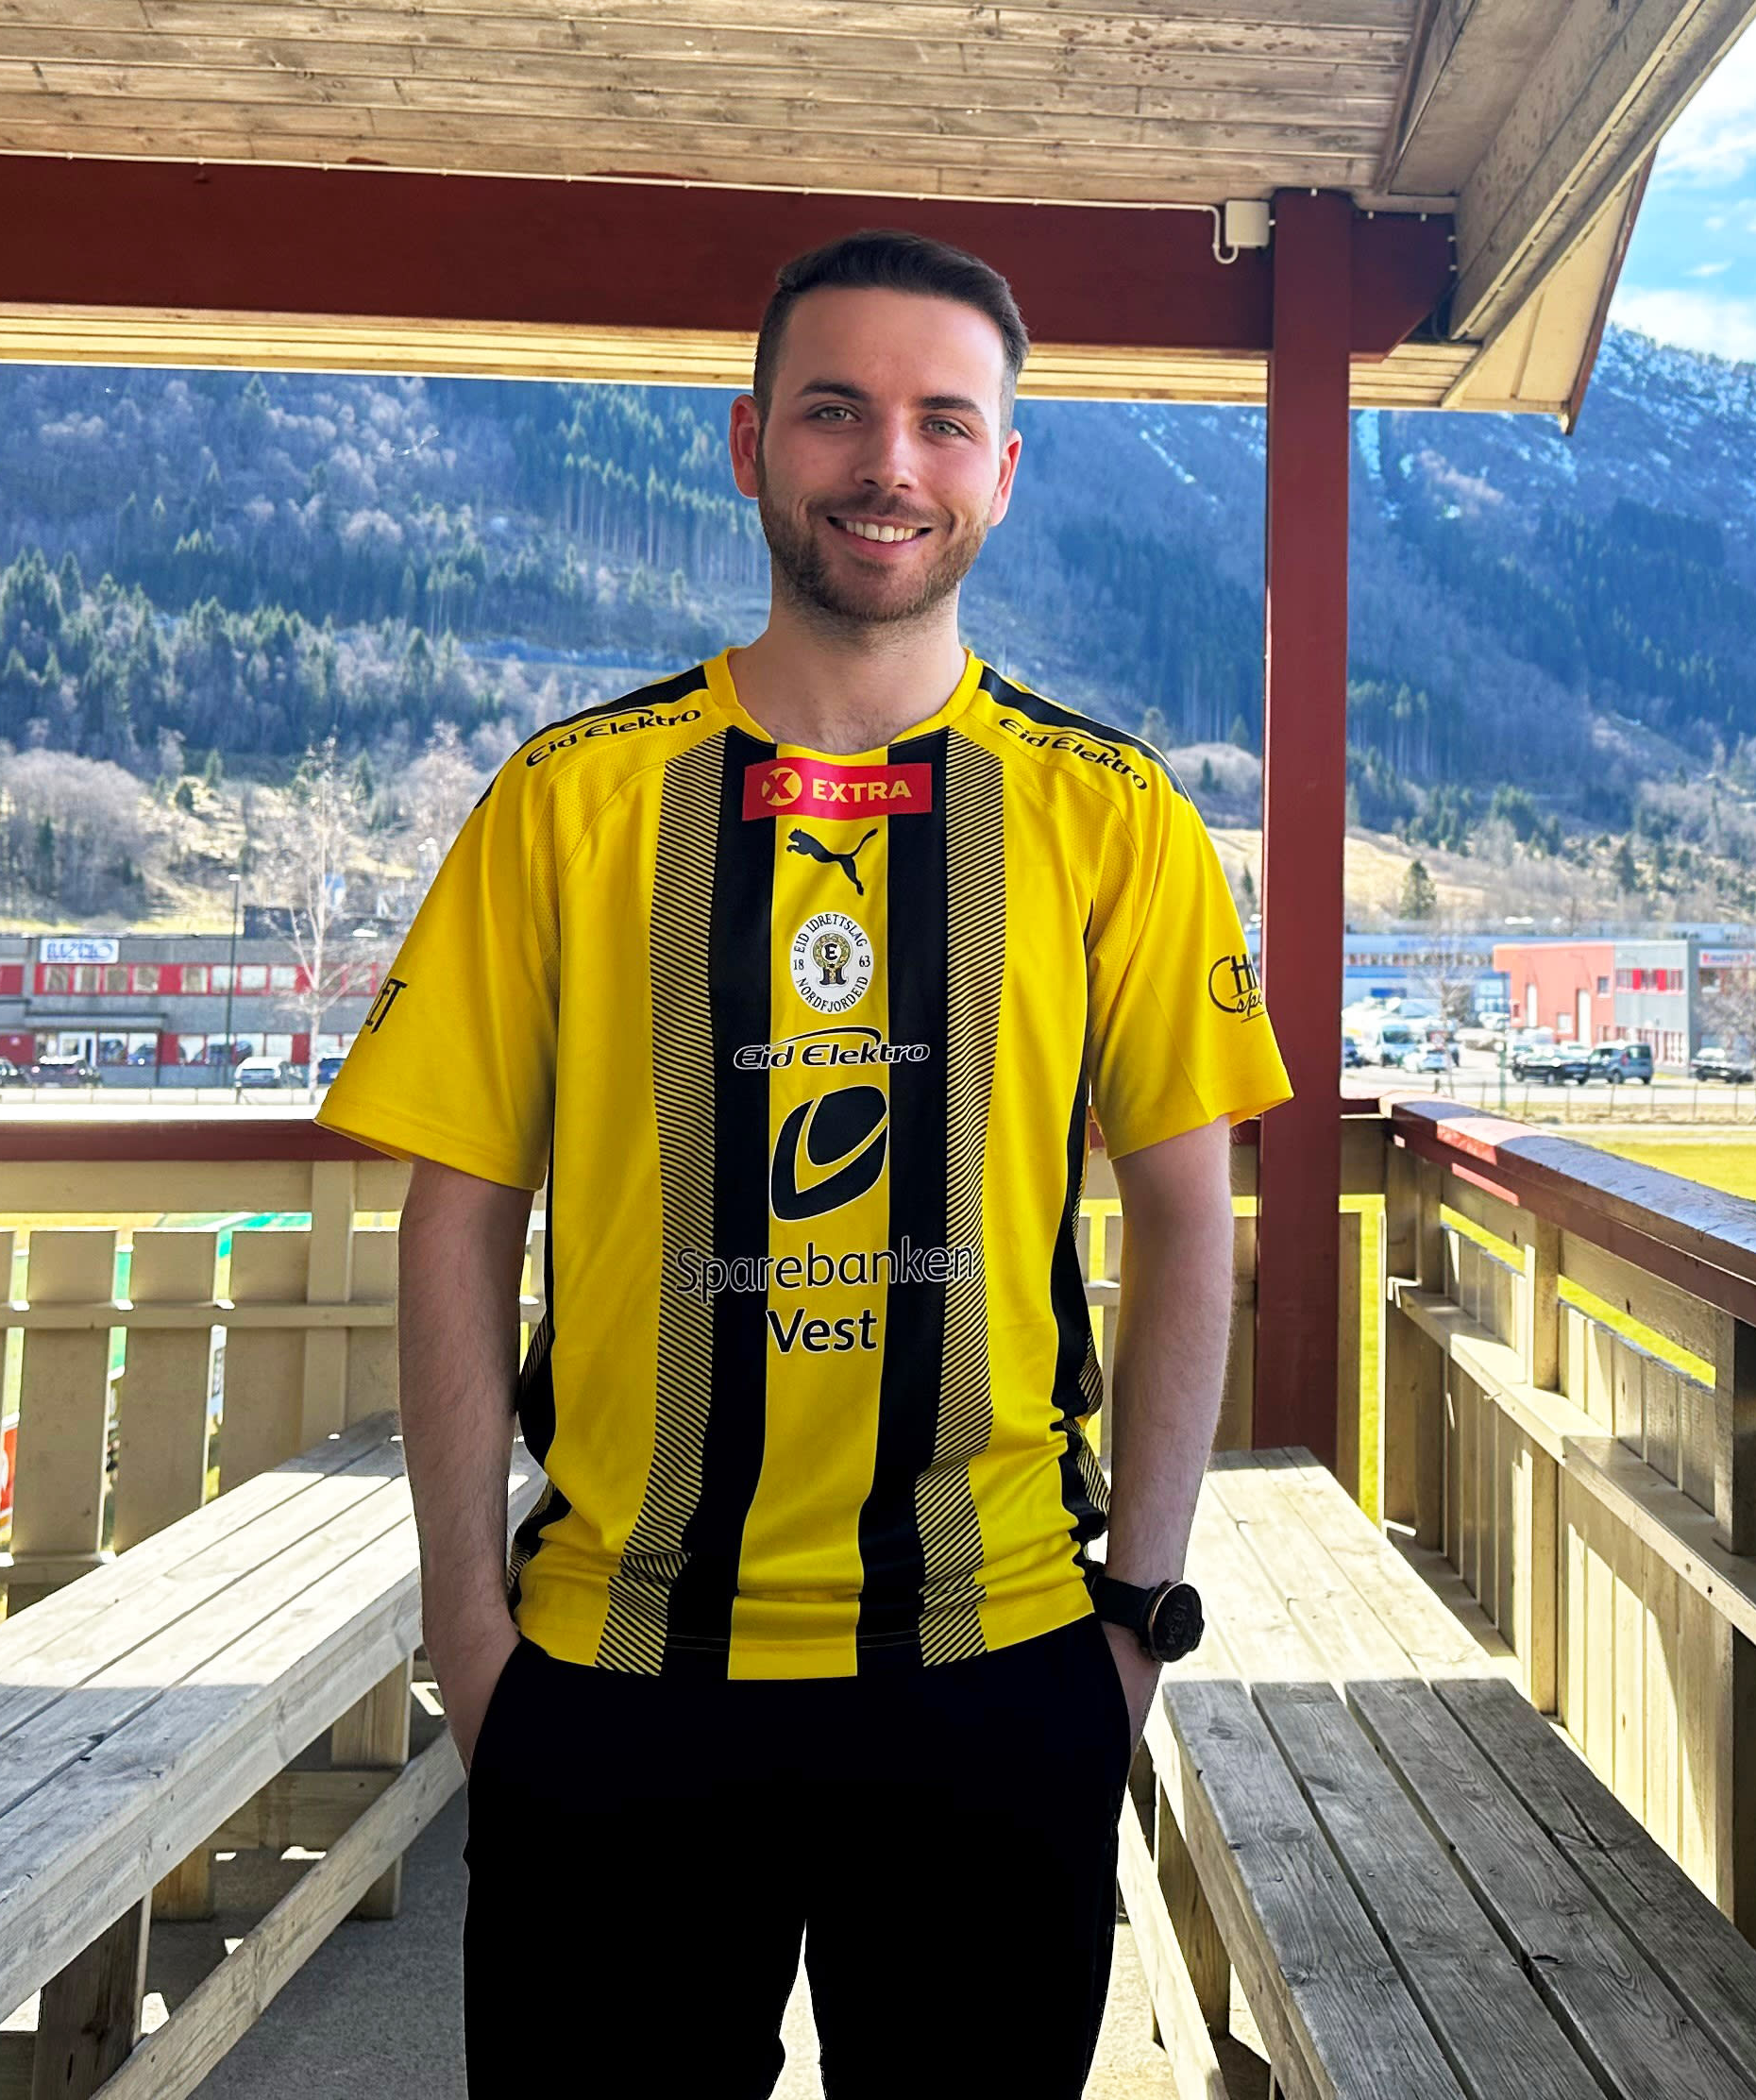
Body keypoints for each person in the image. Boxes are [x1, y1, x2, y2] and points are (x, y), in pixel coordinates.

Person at [322, 229, 1282, 2095]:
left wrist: (1133, 1629)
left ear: (1005, 469)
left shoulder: (1114, 816)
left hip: (1000, 1673)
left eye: (943, 422)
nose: (888, 464)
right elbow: (458, 1219)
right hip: (614, 1679)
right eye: (836, 412)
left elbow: (1188, 1221)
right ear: (748, 443)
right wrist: (467, 1632)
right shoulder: (571, 799)